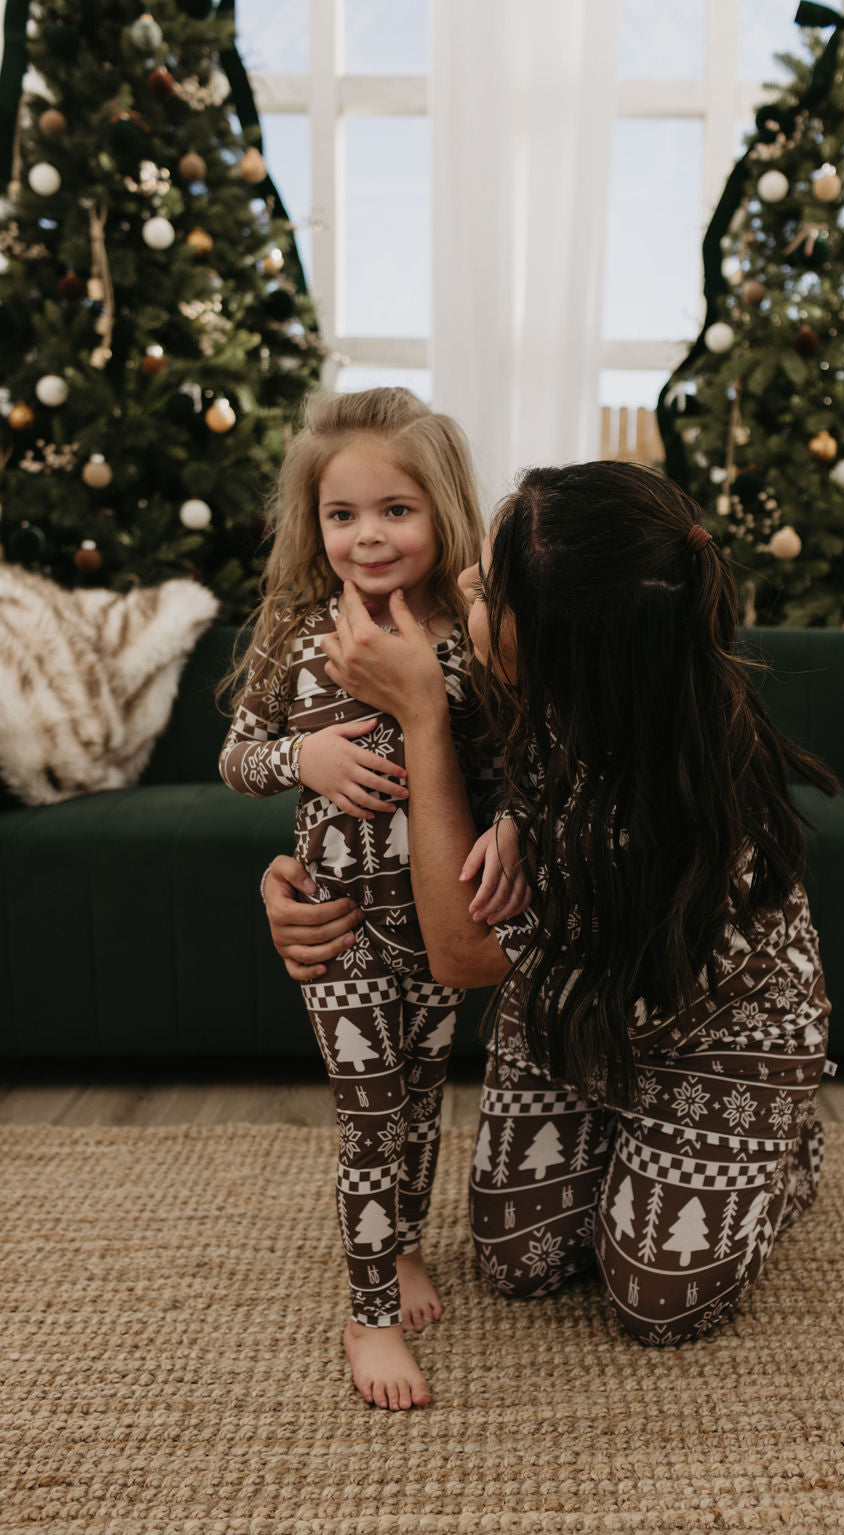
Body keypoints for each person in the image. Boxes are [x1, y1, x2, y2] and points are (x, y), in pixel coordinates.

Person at [264, 459, 839, 1369]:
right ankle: (621, 1132)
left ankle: (785, 1145)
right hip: (577, 1007)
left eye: (487, 588)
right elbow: (395, 831)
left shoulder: (652, 802)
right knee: (517, 1260)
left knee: (655, 1299)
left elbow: (458, 954)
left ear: (559, 643)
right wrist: (297, 879)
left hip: (713, 1035)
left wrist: (418, 713)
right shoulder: (562, 683)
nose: (460, 583)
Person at [220, 388, 527, 1413]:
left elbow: (502, 768)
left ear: (442, 510)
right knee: (369, 1112)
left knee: (425, 1096)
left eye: (395, 509)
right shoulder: (300, 632)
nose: (367, 535)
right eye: (342, 514)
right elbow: (236, 754)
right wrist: (298, 757)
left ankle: (402, 1247)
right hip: (341, 924)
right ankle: (367, 1310)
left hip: (440, 922)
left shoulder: (472, 637)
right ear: (314, 523)